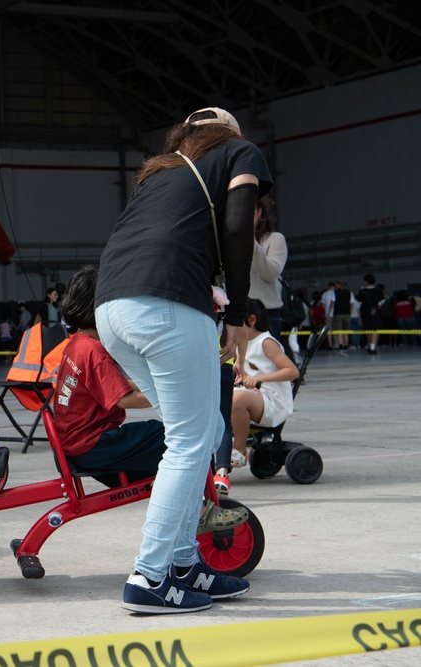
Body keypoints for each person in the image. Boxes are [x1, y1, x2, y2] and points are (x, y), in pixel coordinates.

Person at [94, 106, 272, 614]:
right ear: (227, 137)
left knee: (197, 433)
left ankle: (182, 563)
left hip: (114, 309)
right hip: (166, 308)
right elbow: (240, 224)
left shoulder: (162, 172)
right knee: (194, 440)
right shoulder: (240, 152)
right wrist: (237, 309)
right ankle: (150, 577)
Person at [53, 266, 248, 533]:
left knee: (157, 441)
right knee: (166, 435)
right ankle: (200, 509)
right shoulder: (94, 351)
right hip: (93, 446)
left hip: (81, 443)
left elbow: (113, 387)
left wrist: (158, 382)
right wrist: (173, 392)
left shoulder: (77, 344)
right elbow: (124, 399)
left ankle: (177, 499)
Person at [230, 299, 300, 468]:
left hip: (272, 400)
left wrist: (261, 378)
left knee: (237, 399)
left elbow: (292, 371)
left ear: (252, 320)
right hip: (254, 396)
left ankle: (239, 450)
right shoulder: (240, 344)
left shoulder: (266, 342)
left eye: (237, 322)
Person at [248, 197, 287, 340]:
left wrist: (250, 240)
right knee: (239, 362)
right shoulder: (230, 241)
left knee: (266, 361)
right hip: (236, 313)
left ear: (259, 212)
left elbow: (271, 273)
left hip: (266, 313)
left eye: (248, 211)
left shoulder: (275, 239)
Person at [357, 274, 383, 355]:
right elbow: (381, 302)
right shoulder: (378, 290)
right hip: (376, 313)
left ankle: (369, 344)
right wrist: (376, 308)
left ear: (367, 282)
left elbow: (359, 302)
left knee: (367, 329)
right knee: (375, 330)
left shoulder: (362, 291)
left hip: (365, 313)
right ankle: (373, 346)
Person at [330, 281, 353, 355]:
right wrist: (350, 313)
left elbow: (332, 304)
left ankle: (341, 347)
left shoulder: (335, 293)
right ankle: (346, 346)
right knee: (346, 332)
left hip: (338, 314)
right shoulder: (349, 293)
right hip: (347, 314)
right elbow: (351, 304)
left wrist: (328, 314)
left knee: (339, 331)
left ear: (339, 285)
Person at [320, 281, 336, 349]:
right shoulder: (336, 293)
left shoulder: (324, 294)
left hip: (327, 315)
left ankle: (330, 345)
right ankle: (337, 344)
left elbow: (323, 306)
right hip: (336, 314)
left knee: (328, 331)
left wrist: (326, 314)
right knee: (336, 330)